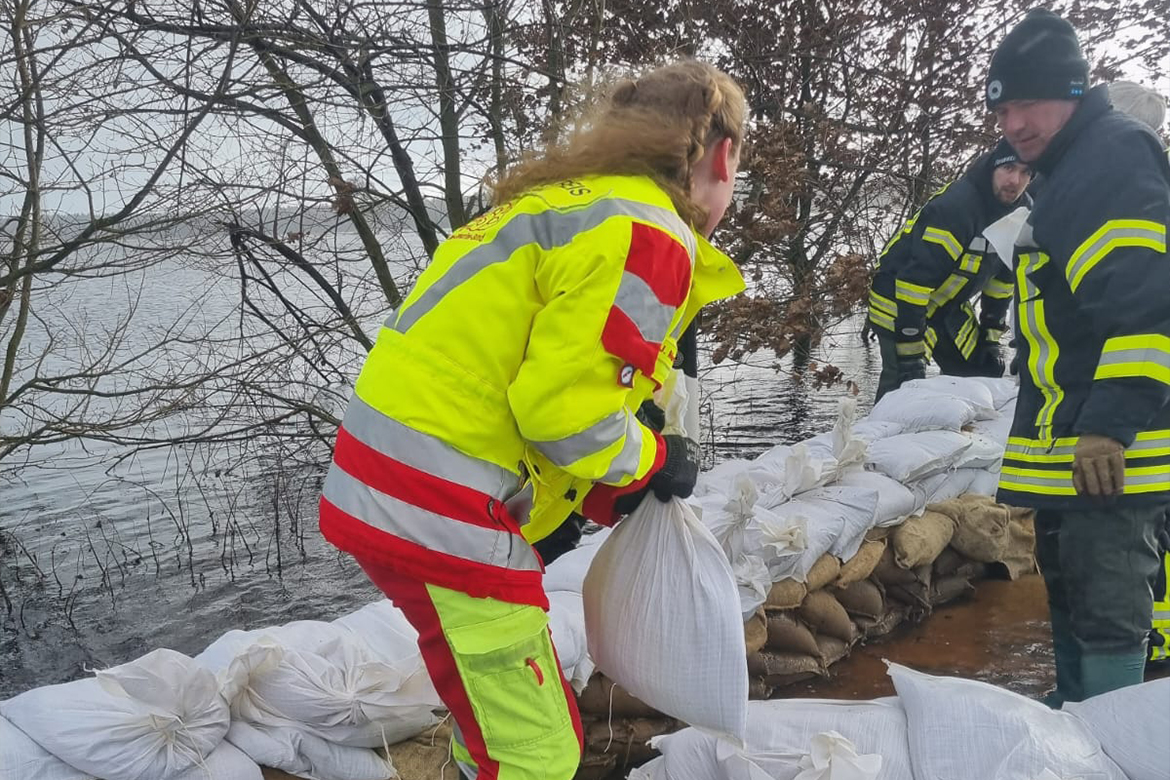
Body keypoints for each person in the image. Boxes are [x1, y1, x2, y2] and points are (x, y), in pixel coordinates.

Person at [318, 60, 747, 779]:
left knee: (497, 729)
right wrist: (650, 459)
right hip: (443, 512)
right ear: (722, 155)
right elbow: (562, 415)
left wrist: (601, 493)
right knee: (536, 754)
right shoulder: (648, 233)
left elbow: (514, 384)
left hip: (392, 489)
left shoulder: (556, 207)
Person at [987, 8, 1170, 705]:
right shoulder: (1069, 167)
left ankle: (1112, 747)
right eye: (1004, 109)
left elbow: (1144, 305)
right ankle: (1080, 733)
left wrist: (1109, 425)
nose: (1015, 123)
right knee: (1075, 602)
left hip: (1112, 456)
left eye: (1028, 103)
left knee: (1107, 615)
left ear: (1073, 89)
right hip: (1077, 450)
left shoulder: (1110, 157)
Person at [867, 140, 1031, 400]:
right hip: (898, 301)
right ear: (991, 170)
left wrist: (991, 339)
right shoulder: (957, 209)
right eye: (1008, 168)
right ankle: (875, 436)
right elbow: (914, 282)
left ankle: (956, 431)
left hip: (946, 303)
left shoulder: (1022, 214)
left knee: (982, 369)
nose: (1015, 180)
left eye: (1025, 173)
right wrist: (911, 350)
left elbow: (1002, 283)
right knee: (903, 386)